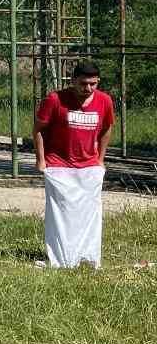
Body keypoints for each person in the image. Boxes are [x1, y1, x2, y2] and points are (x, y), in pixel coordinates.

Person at [34, 60, 114, 269]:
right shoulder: (54, 99)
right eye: (83, 83)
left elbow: (107, 129)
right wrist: (41, 160)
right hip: (58, 164)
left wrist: (100, 160)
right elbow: (39, 129)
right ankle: (61, 259)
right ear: (73, 81)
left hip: (89, 166)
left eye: (93, 84)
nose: (88, 88)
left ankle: (86, 257)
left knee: (89, 213)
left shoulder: (104, 101)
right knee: (61, 213)